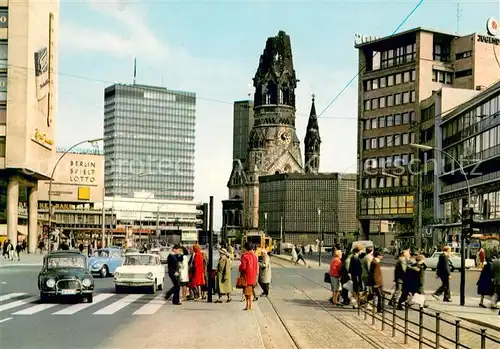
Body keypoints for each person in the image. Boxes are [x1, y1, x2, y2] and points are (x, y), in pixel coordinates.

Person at [239, 241, 258, 311]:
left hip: (246, 276)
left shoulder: (245, 256)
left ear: (245, 248)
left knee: (246, 292)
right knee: (250, 291)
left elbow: (243, 267)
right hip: (253, 276)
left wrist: (239, 267)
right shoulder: (254, 256)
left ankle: (248, 305)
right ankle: (249, 305)